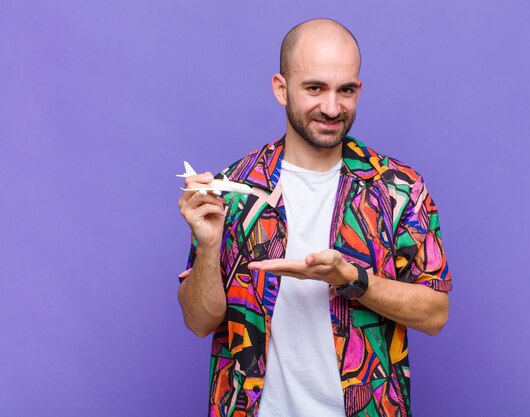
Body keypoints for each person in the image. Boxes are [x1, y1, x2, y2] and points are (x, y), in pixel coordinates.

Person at [177, 18, 452, 417]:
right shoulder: (232, 191)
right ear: (281, 88)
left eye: (346, 90)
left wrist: (352, 280)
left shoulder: (398, 188)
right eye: (315, 88)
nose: (331, 107)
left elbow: (435, 315)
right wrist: (208, 247)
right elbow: (200, 322)